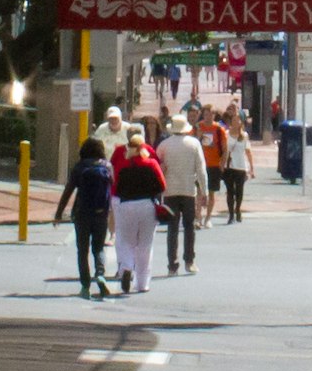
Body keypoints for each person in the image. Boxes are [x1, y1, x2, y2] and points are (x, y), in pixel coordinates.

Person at [109, 134, 167, 295]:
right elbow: (162, 185)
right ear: (143, 148)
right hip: (147, 205)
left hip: (126, 205)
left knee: (126, 241)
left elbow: (117, 187)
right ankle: (142, 283)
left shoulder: (123, 166)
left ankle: (126, 266)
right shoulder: (151, 164)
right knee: (145, 245)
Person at [63, 134, 116, 298]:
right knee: (98, 247)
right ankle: (100, 274)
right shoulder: (107, 166)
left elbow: (68, 191)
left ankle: (85, 286)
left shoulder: (79, 167)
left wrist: (59, 213)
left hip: (82, 214)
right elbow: (112, 185)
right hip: (101, 213)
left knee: (82, 250)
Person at [156, 116, 209, 272]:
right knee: (189, 227)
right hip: (188, 191)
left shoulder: (164, 145)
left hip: (169, 191)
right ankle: (189, 261)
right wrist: (204, 191)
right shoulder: (194, 144)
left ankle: (172, 264)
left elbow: (157, 166)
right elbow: (201, 170)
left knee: (172, 228)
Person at [210, 110, 249, 223]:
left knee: (239, 192)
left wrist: (251, 167)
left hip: (241, 166)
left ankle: (238, 210)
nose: (236, 122)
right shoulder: (226, 134)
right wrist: (221, 163)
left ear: (241, 122)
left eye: (238, 120)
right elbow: (223, 150)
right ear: (231, 122)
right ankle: (231, 214)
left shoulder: (244, 136)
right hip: (229, 166)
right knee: (230, 191)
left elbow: (247, 151)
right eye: (234, 120)